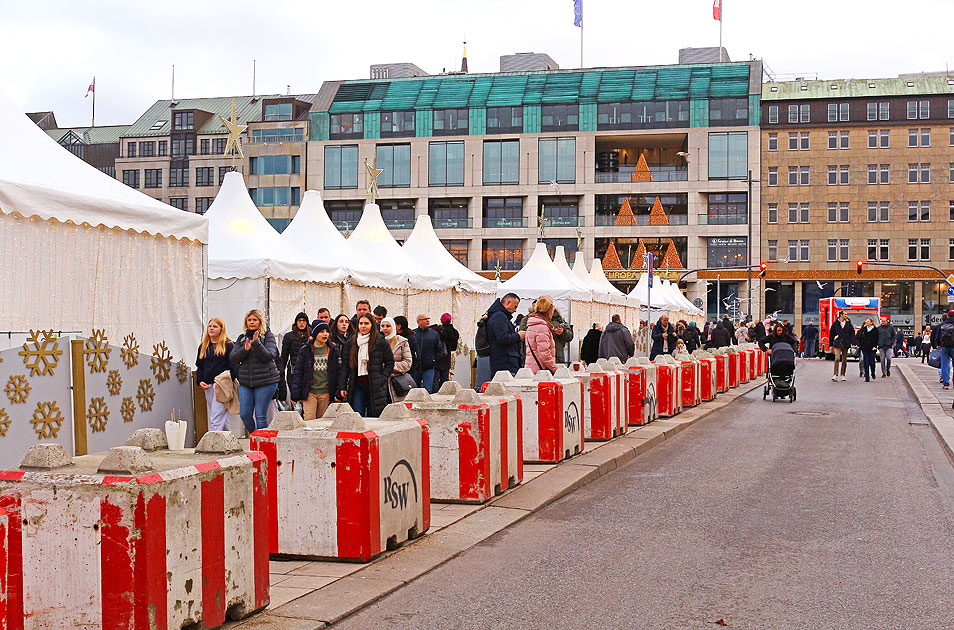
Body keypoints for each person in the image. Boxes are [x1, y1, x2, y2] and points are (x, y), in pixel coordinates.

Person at [231, 309, 280, 432]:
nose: (252, 322)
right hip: (246, 382)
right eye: (249, 320)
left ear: (260, 322)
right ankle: (255, 438)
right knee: (245, 415)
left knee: (260, 416)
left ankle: (261, 446)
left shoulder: (267, 336)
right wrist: (245, 350)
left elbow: (269, 355)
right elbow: (233, 357)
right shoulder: (242, 338)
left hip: (266, 381)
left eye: (255, 320)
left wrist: (257, 344)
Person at [340, 313, 394, 416]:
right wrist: (342, 386)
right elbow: (345, 366)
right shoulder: (351, 342)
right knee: (357, 415)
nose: (363, 326)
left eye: (366, 323)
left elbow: (390, 362)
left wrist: (383, 378)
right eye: (361, 323)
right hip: (357, 385)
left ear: (372, 325)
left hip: (375, 386)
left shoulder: (380, 341)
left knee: (374, 417)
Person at [290, 321, 340, 420]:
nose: (325, 334)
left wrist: (337, 392)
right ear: (315, 333)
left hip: (326, 393)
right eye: (321, 331)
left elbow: (338, 372)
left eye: (327, 331)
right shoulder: (305, 350)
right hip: (310, 393)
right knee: (309, 420)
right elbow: (298, 373)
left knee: (324, 421)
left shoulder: (333, 350)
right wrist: (295, 394)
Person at [195, 317, 235, 432]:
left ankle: (212, 443)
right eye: (210, 326)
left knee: (216, 417)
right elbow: (200, 366)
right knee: (221, 416)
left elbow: (233, 366)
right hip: (208, 385)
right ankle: (229, 441)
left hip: (222, 385)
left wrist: (233, 383)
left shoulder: (228, 345)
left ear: (221, 329)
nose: (211, 328)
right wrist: (200, 380)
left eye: (215, 326)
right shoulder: (203, 346)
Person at [486, 293, 526, 377]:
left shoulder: (499, 315)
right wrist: (518, 336)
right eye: (515, 306)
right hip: (505, 363)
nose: (515, 310)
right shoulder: (499, 316)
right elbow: (502, 338)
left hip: (504, 362)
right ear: (508, 302)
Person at [278, 312, 310, 403]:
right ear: (296, 322)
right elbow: (284, 355)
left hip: (308, 370)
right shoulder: (289, 336)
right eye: (299, 321)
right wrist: (281, 371)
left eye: (304, 321)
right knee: (295, 396)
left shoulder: (311, 335)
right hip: (293, 370)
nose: (301, 323)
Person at [380, 317, 413, 403]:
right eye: (382, 326)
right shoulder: (377, 341)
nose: (385, 328)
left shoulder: (402, 342)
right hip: (380, 382)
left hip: (396, 382)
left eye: (388, 326)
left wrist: (389, 366)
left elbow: (407, 363)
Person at [411, 314, 445, 394]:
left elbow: (440, 350)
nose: (427, 321)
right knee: (415, 391)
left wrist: (433, 360)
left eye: (428, 319)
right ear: (418, 322)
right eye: (424, 319)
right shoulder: (413, 334)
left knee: (427, 391)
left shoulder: (434, 334)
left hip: (429, 367)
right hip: (415, 368)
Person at [524, 296, 558, 374]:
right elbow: (544, 353)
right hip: (540, 371)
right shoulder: (542, 327)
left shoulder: (532, 324)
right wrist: (555, 369)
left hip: (532, 367)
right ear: (548, 311)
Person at [435, 313, 459, 390]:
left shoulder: (438, 330)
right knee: (445, 380)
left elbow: (429, 328)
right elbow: (454, 348)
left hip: (438, 358)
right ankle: (445, 394)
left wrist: (436, 325)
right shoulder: (455, 332)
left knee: (435, 380)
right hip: (447, 358)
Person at [930, 309, 954, 390]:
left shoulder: (942, 325)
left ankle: (946, 383)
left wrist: (938, 345)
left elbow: (937, 337)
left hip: (944, 347)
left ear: (947, 316)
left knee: (944, 365)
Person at [829, 310, 854, 382]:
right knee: (837, 358)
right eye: (845, 314)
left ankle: (843, 374)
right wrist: (831, 344)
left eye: (846, 314)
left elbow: (852, 333)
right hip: (837, 343)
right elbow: (831, 334)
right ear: (841, 315)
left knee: (844, 360)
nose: (846, 316)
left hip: (846, 343)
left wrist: (853, 342)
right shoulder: (835, 324)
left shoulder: (849, 324)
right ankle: (835, 374)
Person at [857, 317, 879, 382]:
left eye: (868, 321)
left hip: (872, 348)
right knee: (865, 362)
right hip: (864, 348)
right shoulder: (863, 329)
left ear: (871, 322)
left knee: (872, 362)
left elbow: (876, 339)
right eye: (866, 322)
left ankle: (873, 372)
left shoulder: (875, 330)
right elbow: (860, 338)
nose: (867, 323)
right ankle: (867, 377)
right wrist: (860, 345)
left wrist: (875, 346)